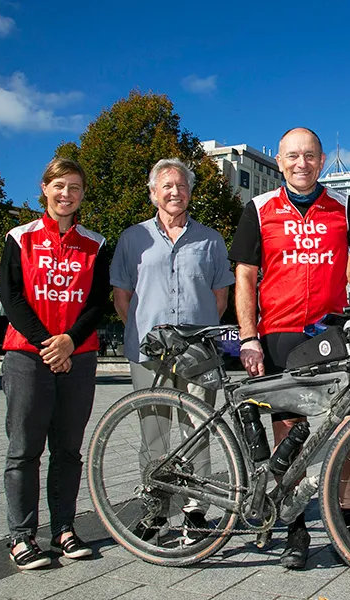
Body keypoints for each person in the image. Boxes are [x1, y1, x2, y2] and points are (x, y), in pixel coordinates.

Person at [229, 127, 350, 569]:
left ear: (320, 161)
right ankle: (295, 531)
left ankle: (349, 525)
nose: (302, 163)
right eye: (293, 156)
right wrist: (248, 336)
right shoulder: (258, 209)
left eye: (310, 156)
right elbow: (245, 277)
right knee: (290, 436)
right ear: (279, 162)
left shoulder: (344, 205)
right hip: (279, 333)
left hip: (331, 333)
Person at [111, 158, 234, 543]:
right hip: (149, 351)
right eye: (166, 185)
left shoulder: (210, 239)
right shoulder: (133, 239)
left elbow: (220, 296)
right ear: (153, 193)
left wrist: (194, 337)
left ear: (190, 192)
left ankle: (195, 512)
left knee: (197, 428)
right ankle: (156, 509)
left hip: (197, 350)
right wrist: (145, 333)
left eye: (181, 185)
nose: (174, 191)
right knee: (155, 430)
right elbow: (122, 296)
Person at [0, 158, 109, 569]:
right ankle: (21, 536)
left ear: (82, 194)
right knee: (24, 449)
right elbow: (11, 298)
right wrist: (49, 344)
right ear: (45, 188)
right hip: (28, 355)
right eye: (60, 186)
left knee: (68, 450)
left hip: (78, 357)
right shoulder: (19, 237)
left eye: (75, 187)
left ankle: (64, 529)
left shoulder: (95, 244)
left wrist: (69, 342)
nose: (67, 194)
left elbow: (97, 303)